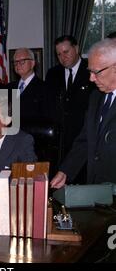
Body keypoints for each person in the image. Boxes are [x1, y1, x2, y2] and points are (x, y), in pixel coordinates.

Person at [51, 38, 116, 188]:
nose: (91, 78)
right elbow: (86, 139)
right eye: (90, 72)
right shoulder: (96, 97)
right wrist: (65, 171)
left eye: (96, 72)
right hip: (96, 188)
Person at [45, 35, 95, 182]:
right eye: (59, 54)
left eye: (66, 52)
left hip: (83, 143)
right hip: (59, 144)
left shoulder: (91, 72)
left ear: (77, 48)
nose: (63, 57)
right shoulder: (52, 74)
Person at [7, 47, 47, 127]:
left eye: (22, 61)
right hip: (10, 136)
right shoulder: (8, 88)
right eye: (15, 62)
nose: (18, 64)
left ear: (32, 63)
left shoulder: (45, 88)